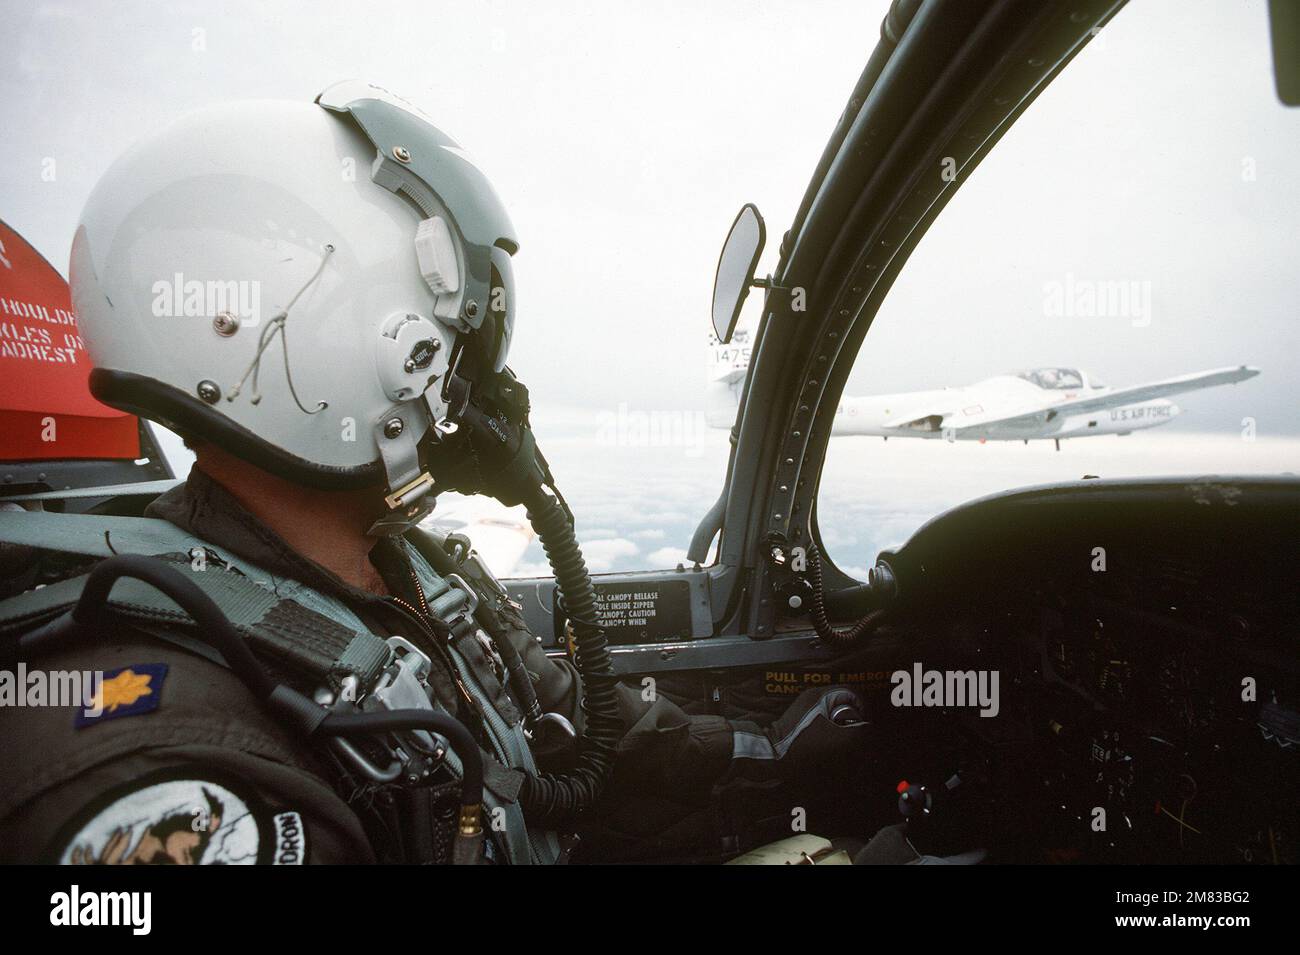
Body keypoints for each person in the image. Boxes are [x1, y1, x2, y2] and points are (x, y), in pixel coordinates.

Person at [0, 82, 865, 864]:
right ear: (353, 353)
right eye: (454, 355)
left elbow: (578, 729)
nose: (475, 399)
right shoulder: (179, 766)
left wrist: (778, 758)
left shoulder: (415, 575)